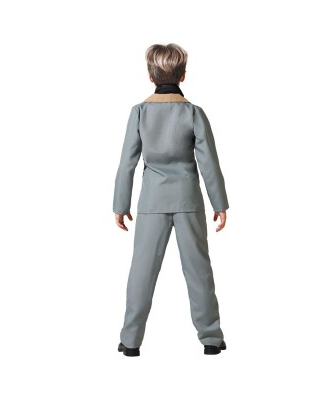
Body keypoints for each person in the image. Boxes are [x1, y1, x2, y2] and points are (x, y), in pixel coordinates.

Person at [113, 43, 229, 356]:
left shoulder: (139, 112)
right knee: (199, 270)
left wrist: (120, 205)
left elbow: (127, 163)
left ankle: (131, 340)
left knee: (142, 271)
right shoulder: (193, 113)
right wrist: (219, 203)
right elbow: (209, 162)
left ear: (150, 76)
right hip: (189, 200)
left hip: (152, 202)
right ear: (183, 75)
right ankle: (211, 338)